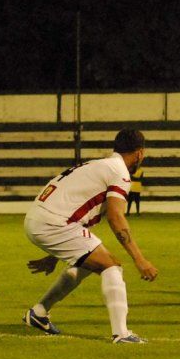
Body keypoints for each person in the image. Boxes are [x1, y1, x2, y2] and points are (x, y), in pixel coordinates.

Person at [23, 129, 158, 343]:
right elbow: (116, 217)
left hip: (39, 219)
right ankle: (121, 334)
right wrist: (140, 260)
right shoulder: (119, 172)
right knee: (111, 265)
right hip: (54, 223)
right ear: (140, 153)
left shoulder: (100, 165)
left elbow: (75, 209)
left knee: (87, 264)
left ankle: (39, 313)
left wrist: (53, 255)